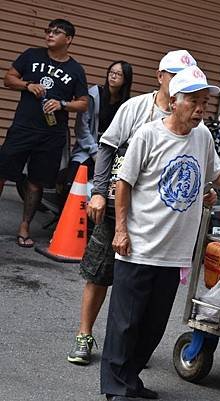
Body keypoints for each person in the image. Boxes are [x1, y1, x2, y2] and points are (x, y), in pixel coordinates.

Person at [101, 65, 220, 401]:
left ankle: (131, 381)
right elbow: (123, 184)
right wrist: (120, 229)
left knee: (152, 327)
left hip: (175, 251)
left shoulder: (203, 136)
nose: (200, 109)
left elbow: (216, 174)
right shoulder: (148, 135)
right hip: (139, 245)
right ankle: (114, 388)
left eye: (204, 103)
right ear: (175, 102)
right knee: (125, 325)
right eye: (194, 102)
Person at [67, 50, 196, 366]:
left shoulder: (191, 119)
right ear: (160, 76)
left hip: (157, 219)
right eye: (174, 76)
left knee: (143, 289)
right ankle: (84, 336)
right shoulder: (136, 108)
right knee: (99, 273)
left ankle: (130, 349)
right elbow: (107, 147)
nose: (180, 83)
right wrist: (98, 193)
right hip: (117, 208)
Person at [0, 18, 88, 247]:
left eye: (56, 32)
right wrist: (28, 85)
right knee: (2, 171)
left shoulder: (76, 70)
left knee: (36, 182)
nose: (50, 35)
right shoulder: (31, 55)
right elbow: (8, 79)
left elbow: (83, 103)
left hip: (51, 134)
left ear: (68, 40)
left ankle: (24, 227)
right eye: (48, 31)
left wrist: (62, 104)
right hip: (23, 127)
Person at [67, 60, 133, 189]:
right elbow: (81, 128)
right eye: (111, 72)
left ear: (126, 80)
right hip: (87, 150)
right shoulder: (94, 94)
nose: (113, 76)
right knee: (71, 183)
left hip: (110, 153)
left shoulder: (127, 104)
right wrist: (94, 152)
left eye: (118, 74)